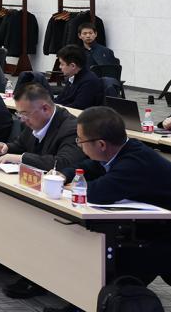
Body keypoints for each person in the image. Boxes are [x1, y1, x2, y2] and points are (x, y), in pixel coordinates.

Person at [64, 106, 171, 303]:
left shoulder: (135, 162)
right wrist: (64, 175)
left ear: (101, 144)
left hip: (162, 235)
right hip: (149, 226)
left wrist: (72, 187)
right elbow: (88, 166)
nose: (78, 145)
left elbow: (98, 193)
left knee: (113, 265)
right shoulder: (120, 151)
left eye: (80, 141)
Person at [0, 83, 87, 301]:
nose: (22, 119)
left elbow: (63, 163)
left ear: (45, 108)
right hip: (33, 186)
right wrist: (5, 147)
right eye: (19, 114)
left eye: (24, 114)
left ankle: (37, 274)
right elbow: (20, 144)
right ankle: (1, 255)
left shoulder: (70, 127)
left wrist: (21, 158)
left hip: (60, 195)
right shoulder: (35, 120)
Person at [54, 44, 105, 108]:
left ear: (73, 66)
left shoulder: (89, 81)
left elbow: (78, 107)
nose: (60, 67)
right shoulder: (73, 77)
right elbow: (60, 99)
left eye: (62, 64)